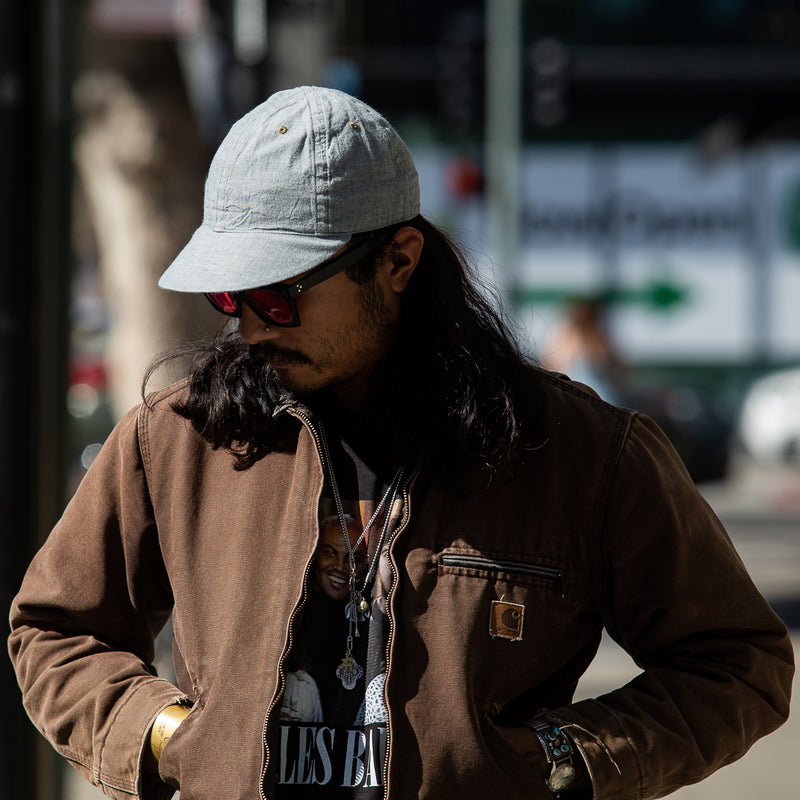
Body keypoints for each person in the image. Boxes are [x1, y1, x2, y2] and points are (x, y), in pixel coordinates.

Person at [8, 86, 793, 800]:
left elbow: (736, 665)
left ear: (397, 262)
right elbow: (55, 632)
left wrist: (562, 758)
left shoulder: (580, 452)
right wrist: (168, 735)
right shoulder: (175, 442)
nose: (249, 325)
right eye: (230, 293)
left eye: (279, 293)